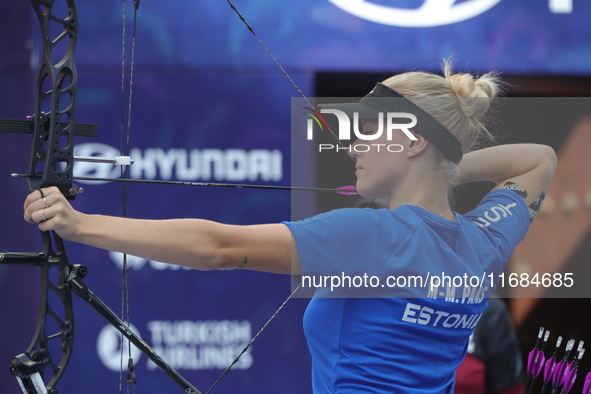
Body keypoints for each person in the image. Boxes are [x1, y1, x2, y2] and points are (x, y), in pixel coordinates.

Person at [23, 60, 556, 393]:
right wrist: (445, 167)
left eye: (370, 131)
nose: (354, 144)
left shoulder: (373, 237)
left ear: (413, 141)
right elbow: (540, 160)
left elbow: (220, 247)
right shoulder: (483, 243)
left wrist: (79, 223)